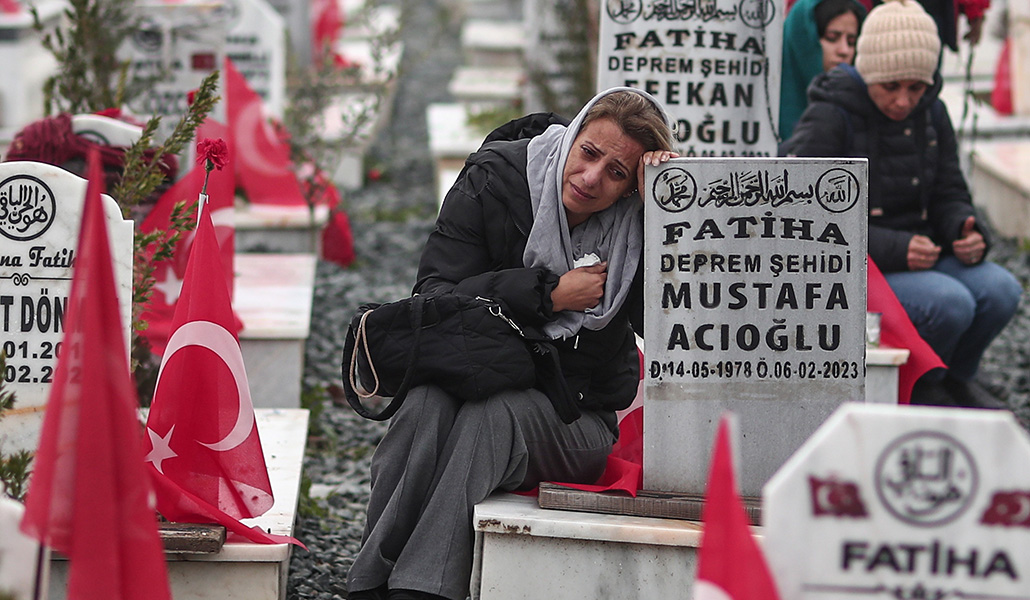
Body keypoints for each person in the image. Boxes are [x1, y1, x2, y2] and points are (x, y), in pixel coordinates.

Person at [346, 88, 677, 600]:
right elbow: (434, 295)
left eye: (617, 173)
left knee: (493, 417)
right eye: (589, 153)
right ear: (572, 136)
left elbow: (672, 320)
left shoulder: (635, 229)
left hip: (575, 415)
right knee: (424, 405)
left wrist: (670, 199)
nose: (592, 178)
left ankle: (421, 589)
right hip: (466, 375)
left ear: (631, 187)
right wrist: (548, 294)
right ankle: (370, 580)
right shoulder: (496, 179)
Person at [781, 0, 1021, 408]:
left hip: (921, 255)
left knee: (1002, 289)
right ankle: (922, 386)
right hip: (860, 268)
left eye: (917, 87)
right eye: (890, 87)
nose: (904, 101)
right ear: (868, 72)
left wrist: (964, 227)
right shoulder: (830, 115)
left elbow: (950, 190)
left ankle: (953, 378)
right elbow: (802, 216)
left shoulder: (933, 113)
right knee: (949, 303)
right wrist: (896, 247)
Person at [780, 0, 868, 140]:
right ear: (802, 39)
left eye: (851, 42)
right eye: (832, 38)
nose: (844, 51)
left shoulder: (864, 109)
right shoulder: (764, 108)